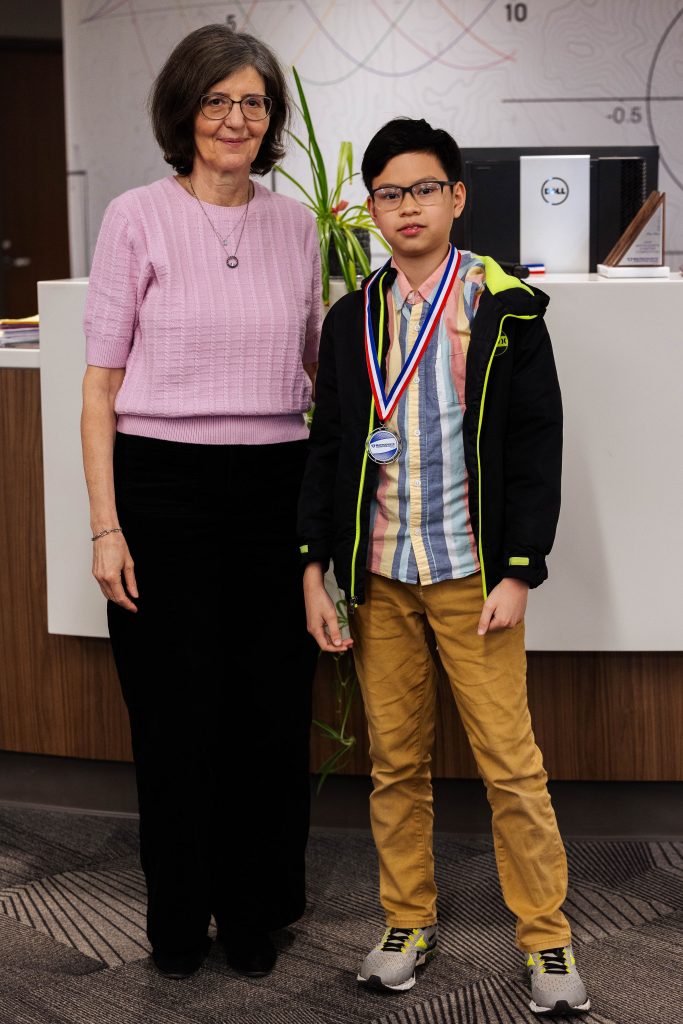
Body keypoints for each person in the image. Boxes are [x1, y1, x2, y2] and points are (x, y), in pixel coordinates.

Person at [298, 118, 590, 1016]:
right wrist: (315, 568)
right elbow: (329, 445)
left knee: (510, 765)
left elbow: (536, 444)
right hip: (382, 576)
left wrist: (519, 570)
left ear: (456, 198)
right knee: (394, 764)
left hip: (471, 574)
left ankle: (545, 938)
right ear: (371, 210)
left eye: (424, 189)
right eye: (389, 193)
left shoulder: (505, 310)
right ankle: (406, 920)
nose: (407, 207)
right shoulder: (351, 318)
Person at [81, 25, 320, 981]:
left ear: (271, 120)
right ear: (183, 112)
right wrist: (107, 527)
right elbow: (100, 387)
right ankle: (178, 920)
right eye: (216, 100)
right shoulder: (135, 216)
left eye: (253, 102)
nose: (234, 118)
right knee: (175, 720)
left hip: (275, 489)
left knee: (269, 715)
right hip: (161, 488)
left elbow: (315, 365)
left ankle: (254, 912)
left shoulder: (296, 226)